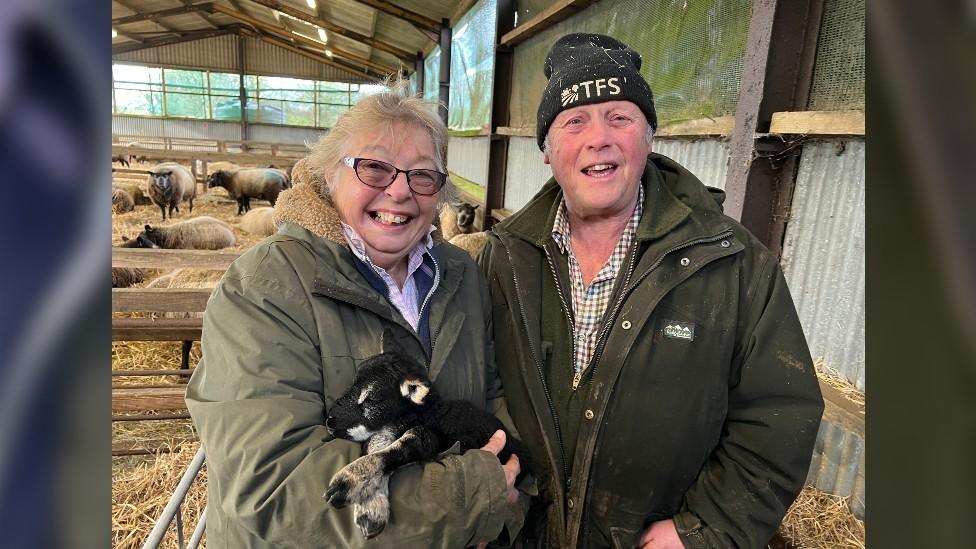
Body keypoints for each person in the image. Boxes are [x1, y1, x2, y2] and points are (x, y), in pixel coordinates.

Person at [478, 33, 825, 548]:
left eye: (620, 117)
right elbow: (478, 383)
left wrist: (703, 531)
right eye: (574, 121)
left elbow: (779, 414)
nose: (599, 138)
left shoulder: (731, 262)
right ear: (548, 151)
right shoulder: (504, 257)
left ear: (649, 137)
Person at [186, 85, 527, 547]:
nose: (401, 190)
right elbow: (274, 490)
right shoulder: (264, 288)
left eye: (423, 175)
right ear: (328, 175)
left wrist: (512, 502)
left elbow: (493, 398)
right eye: (374, 167)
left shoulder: (460, 274)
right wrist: (474, 500)